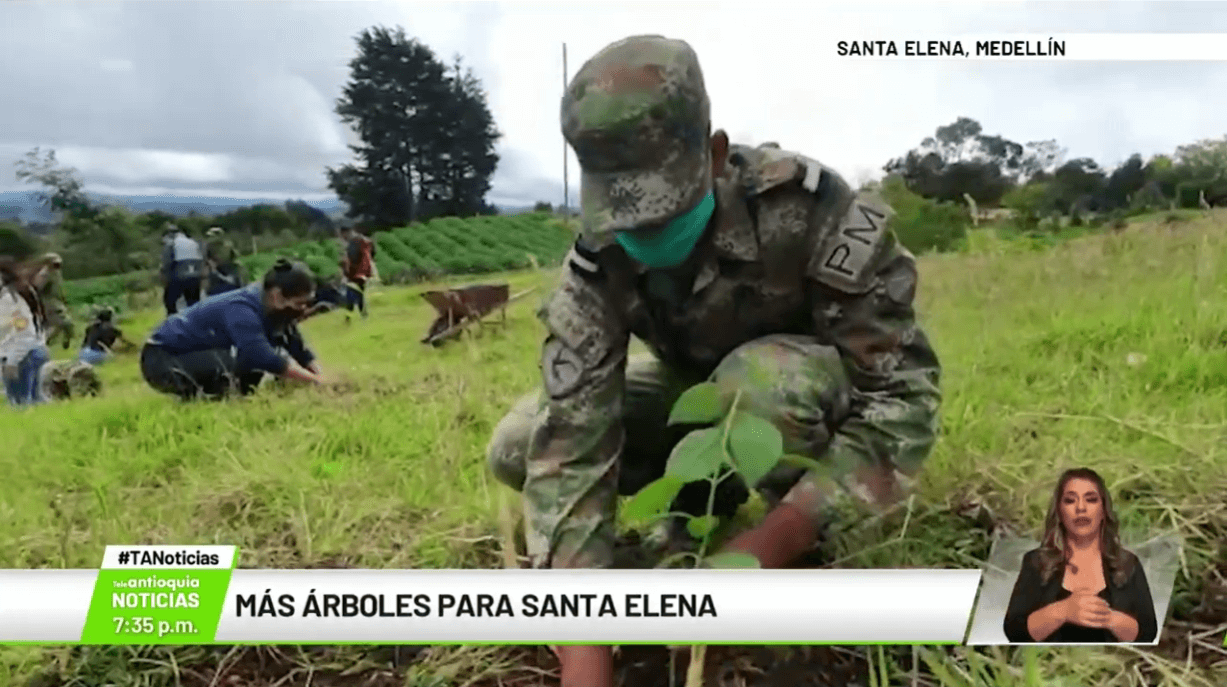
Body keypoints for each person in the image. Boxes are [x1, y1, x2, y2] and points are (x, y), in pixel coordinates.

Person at [484, 35, 941, 685]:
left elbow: (903, 399)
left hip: (795, 400)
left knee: (756, 386)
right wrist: (585, 647)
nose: (639, 236)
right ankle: (690, 514)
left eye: (659, 210)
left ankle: (789, 522)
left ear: (715, 154)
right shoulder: (597, 262)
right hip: (696, 395)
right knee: (519, 444)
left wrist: (772, 540)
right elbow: (571, 447)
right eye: (622, 216)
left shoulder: (810, 211)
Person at [1003, 468, 1158, 644]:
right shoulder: (1037, 562)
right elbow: (1014, 631)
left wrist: (1107, 618)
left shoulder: (1127, 564)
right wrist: (1064, 611)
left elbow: (1148, 633)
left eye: (1091, 500)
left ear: (1103, 510)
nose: (1081, 508)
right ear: (1059, 512)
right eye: (1070, 501)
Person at [140, 258, 330, 400]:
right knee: (243, 361)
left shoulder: (268, 307)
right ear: (277, 296)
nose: (303, 309)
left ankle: (227, 396)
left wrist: (318, 373)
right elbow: (260, 354)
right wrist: (315, 381)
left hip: (194, 353)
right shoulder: (242, 308)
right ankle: (207, 398)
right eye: (299, 303)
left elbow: (295, 344)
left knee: (250, 368)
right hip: (161, 360)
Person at [0, 256, 51, 407]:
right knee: (36, 403)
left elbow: (23, 332)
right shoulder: (19, 293)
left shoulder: (11, 299)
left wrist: (12, 361)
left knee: (20, 406)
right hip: (31, 351)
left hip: (22, 356)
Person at [33, 253, 74, 350]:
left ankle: (47, 342)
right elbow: (37, 288)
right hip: (49, 303)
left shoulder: (56, 273)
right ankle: (44, 343)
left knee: (63, 325)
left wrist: (64, 300)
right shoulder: (44, 274)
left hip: (57, 302)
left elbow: (59, 289)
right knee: (63, 323)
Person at [161, 224, 205, 315]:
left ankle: (172, 322)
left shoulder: (171, 242)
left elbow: (167, 261)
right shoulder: (192, 241)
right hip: (195, 276)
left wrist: (164, 274)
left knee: (169, 301)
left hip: (179, 275)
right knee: (193, 303)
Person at [338, 226, 375, 319]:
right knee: (358, 293)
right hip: (364, 271)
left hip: (356, 272)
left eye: (343, 235)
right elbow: (373, 253)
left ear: (346, 232)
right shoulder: (365, 241)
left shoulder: (354, 243)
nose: (343, 238)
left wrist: (344, 265)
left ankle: (350, 317)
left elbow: (352, 258)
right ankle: (361, 315)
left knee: (351, 294)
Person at [204, 226, 244, 296]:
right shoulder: (209, 246)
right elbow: (207, 258)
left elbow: (235, 256)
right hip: (216, 271)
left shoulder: (228, 245)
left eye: (212, 236)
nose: (210, 238)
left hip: (229, 269)